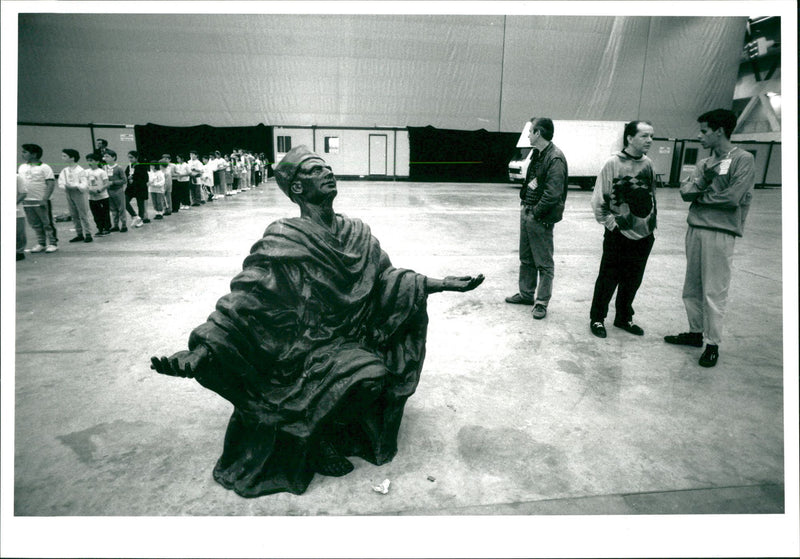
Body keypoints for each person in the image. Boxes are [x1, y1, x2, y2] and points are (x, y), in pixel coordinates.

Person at [150, 145, 484, 498]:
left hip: (351, 335)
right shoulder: (283, 236)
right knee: (365, 374)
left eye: (327, 167)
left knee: (373, 375)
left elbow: (387, 278)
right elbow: (249, 297)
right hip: (298, 344)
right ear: (296, 187)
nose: (327, 172)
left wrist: (439, 284)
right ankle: (317, 438)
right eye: (314, 170)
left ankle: (327, 428)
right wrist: (204, 350)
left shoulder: (357, 232)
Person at [664, 109, 755, 368]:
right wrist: (704, 182)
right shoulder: (705, 164)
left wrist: (701, 198)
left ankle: (712, 343)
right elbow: (685, 191)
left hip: (720, 232)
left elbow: (732, 198)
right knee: (692, 287)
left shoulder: (743, 159)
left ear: (719, 130)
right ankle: (695, 333)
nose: (699, 135)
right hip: (695, 229)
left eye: (704, 131)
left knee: (714, 290)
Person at [589, 120, 657, 338]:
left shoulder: (648, 164)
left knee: (633, 279)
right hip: (619, 234)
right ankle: (597, 318)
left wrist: (651, 226)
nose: (649, 141)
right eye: (644, 136)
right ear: (629, 138)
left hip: (645, 234)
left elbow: (651, 196)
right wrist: (612, 225)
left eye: (651, 136)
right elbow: (599, 199)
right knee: (608, 278)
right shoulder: (613, 163)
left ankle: (623, 318)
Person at [505, 117, 568, 320]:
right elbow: (533, 181)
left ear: (539, 133)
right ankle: (526, 294)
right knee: (526, 258)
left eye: (531, 131)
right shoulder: (537, 154)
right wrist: (525, 203)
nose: (529, 135)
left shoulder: (555, 158)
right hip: (528, 211)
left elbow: (553, 193)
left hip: (540, 216)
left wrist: (536, 212)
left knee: (544, 263)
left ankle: (541, 302)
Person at [19, 143, 58, 253]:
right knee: (34, 224)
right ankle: (41, 243)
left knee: (47, 223)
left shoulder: (44, 167)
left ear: (34, 154)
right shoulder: (22, 167)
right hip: (27, 200)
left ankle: (53, 243)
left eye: (25, 152)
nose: (22, 154)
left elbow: (50, 184)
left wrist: (45, 199)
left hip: (40, 200)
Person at [58, 149, 93, 243]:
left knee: (83, 214)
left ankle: (88, 234)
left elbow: (85, 184)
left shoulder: (80, 170)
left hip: (79, 193)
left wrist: (76, 186)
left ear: (72, 158)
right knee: (74, 214)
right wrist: (65, 187)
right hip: (69, 193)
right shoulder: (64, 170)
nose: (63, 158)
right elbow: (60, 182)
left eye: (65, 156)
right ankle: (79, 234)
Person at [85, 153, 111, 236]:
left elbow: (106, 183)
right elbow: (84, 183)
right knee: (96, 214)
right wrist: (88, 190)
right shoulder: (86, 172)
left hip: (103, 196)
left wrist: (99, 190)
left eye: (91, 160)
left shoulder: (101, 172)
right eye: (88, 161)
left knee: (104, 213)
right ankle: (99, 228)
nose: (89, 162)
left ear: (97, 161)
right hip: (91, 197)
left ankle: (107, 228)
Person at [103, 149, 128, 233]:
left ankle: (124, 225)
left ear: (113, 157)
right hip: (108, 191)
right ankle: (115, 225)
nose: (105, 158)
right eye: (105, 156)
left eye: (107, 156)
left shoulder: (119, 168)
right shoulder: (104, 168)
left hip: (118, 190)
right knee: (113, 209)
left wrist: (113, 182)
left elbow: (124, 180)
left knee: (121, 208)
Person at [125, 151, 149, 227]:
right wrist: (128, 178)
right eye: (129, 157)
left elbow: (145, 179)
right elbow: (125, 175)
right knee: (124, 201)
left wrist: (134, 178)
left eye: (131, 157)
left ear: (136, 157)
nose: (130, 159)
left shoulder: (142, 166)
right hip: (131, 188)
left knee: (140, 204)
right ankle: (135, 216)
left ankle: (140, 219)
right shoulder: (129, 166)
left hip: (140, 188)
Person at [17, 174, 27, 261]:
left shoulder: (17, 177)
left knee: (18, 231)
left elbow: (23, 193)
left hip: (16, 210)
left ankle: (19, 251)